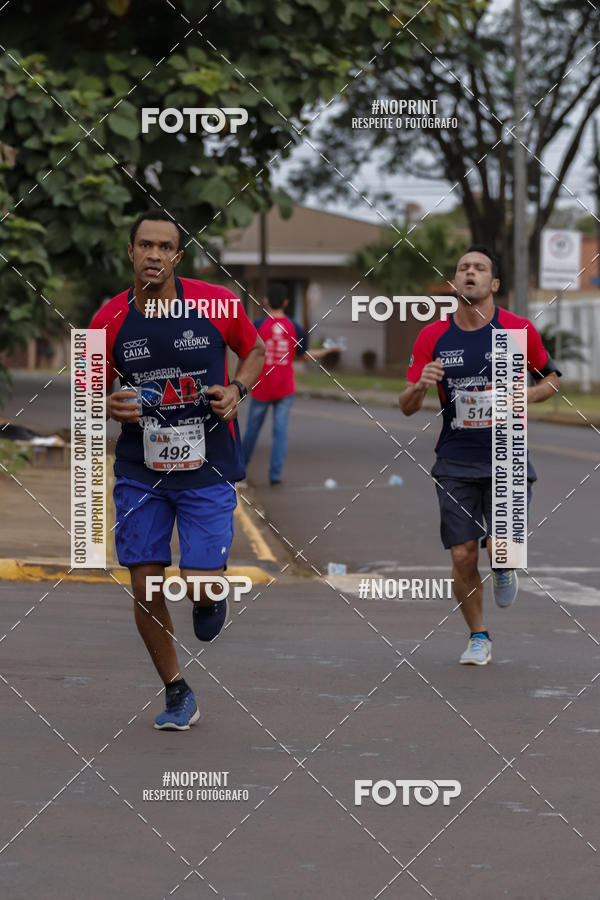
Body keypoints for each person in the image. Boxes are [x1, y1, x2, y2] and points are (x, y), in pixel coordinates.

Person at [89, 209, 265, 729]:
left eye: (164, 247)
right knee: (144, 583)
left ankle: (209, 596)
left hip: (206, 466)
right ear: (130, 251)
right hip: (141, 469)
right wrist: (106, 404)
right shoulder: (108, 318)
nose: (153, 255)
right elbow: (88, 387)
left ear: (178, 257)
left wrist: (237, 389)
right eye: (145, 245)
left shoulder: (216, 303)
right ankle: (175, 690)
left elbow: (254, 351)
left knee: (199, 583)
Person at [399, 245, 561, 665]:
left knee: (502, 548)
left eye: (480, 268)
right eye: (463, 268)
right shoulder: (432, 337)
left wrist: (526, 394)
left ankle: (504, 563)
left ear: (494, 284)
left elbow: (551, 379)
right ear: (455, 282)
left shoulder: (517, 330)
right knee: (462, 554)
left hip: (506, 455)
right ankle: (478, 636)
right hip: (454, 458)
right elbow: (406, 405)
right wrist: (420, 385)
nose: (470, 273)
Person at [242, 282, 342, 485]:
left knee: (252, 430)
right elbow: (303, 356)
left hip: (261, 386)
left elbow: (247, 353)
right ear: (286, 302)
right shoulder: (295, 328)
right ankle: (275, 475)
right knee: (280, 431)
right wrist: (327, 351)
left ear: (266, 301)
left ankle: (239, 470)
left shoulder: (257, 325)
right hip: (285, 388)